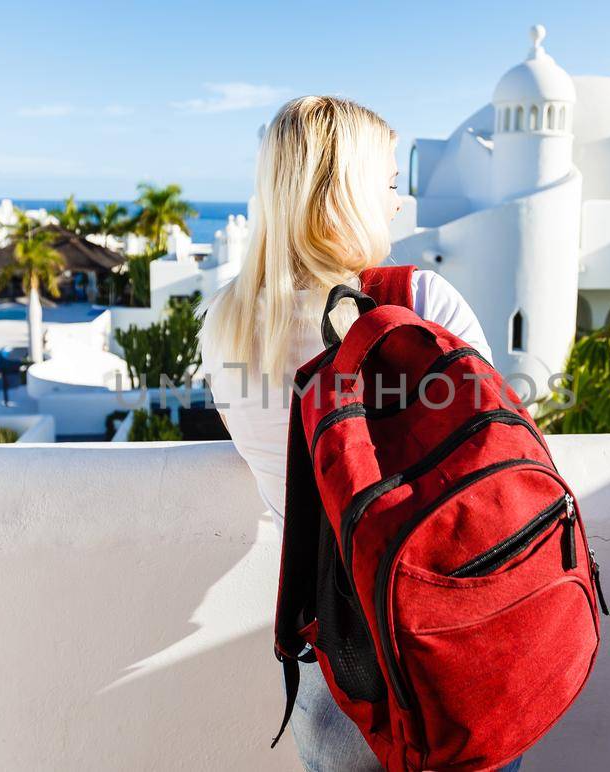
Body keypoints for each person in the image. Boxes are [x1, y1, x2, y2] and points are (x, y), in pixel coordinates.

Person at [200, 96, 513, 772]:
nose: (397, 203)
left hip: (334, 652)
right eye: (390, 184)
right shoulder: (418, 304)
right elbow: (500, 457)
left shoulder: (223, 325)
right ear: (347, 191)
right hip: (444, 635)